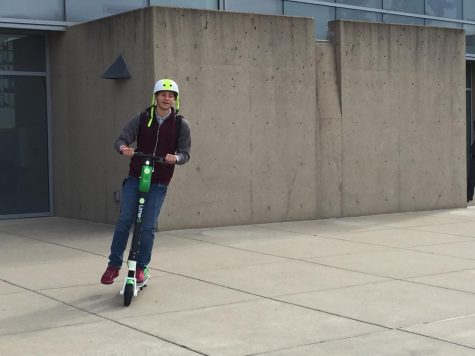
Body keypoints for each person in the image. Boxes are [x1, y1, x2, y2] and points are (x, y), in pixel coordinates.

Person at [101, 78, 191, 285]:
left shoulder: (180, 124)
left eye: (171, 96)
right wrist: (124, 148)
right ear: (156, 97)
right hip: (136, 177)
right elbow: (121, 140)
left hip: (159, 181)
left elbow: (185, 153)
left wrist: (175, 158)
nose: (166, 98)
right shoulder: (142, 118)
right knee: (125, 221)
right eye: (163, 94)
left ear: (175, 99)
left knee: (148, 226)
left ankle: (141, 267)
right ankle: (114, 265)